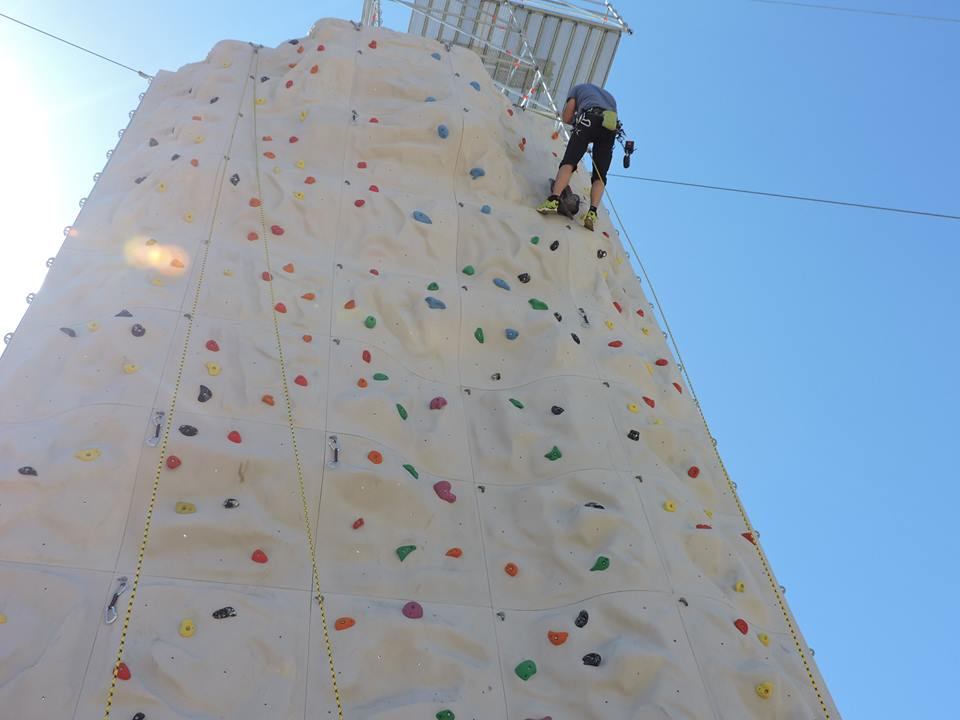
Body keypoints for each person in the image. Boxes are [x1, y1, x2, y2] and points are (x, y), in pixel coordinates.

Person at [537, 82, 618, 231]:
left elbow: (567, 117)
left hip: (589, 119)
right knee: (600, 175)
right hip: (611, 127)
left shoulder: (577, 89)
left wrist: (575, 121)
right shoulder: (610, 97)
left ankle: (554, 199)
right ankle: (592, 213)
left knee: (569, 162)